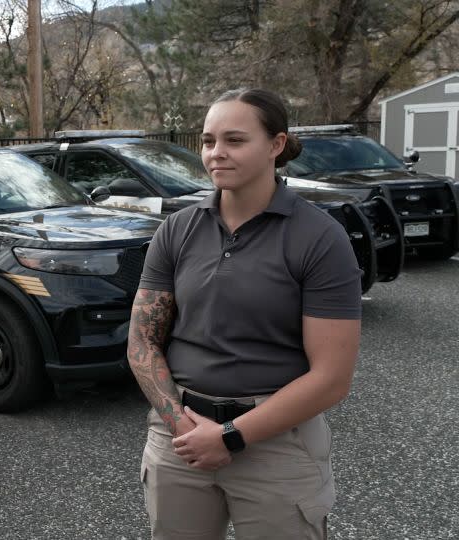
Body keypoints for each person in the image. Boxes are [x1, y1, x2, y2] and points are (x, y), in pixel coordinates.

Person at [128, 88, 361, 539]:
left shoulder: (319, 238)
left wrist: (231, 436)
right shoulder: (177, 229)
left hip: (277, 443)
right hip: (181, 437)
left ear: (276, 145)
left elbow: (332, 377)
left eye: (235, 140)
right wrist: (181, 425)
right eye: (208, 140)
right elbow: (142, 340)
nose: (216, 153)